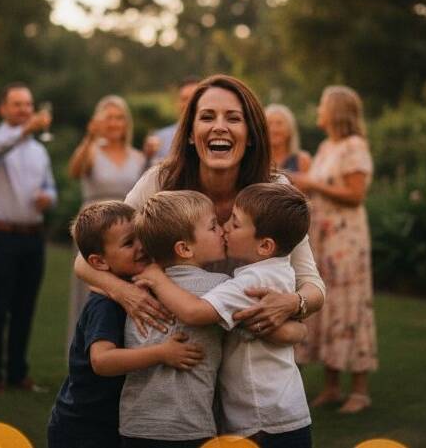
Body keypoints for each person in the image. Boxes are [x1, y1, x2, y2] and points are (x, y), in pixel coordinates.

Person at [74, 74, 326, 339]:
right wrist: (126, 293)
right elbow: (85, 261)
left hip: (244, 354)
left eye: (233, 118)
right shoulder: (161, 181)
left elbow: (313, 285)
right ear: (191, 135)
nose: (219, 127)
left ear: (251, 135)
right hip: (178, 345)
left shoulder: (274, 188)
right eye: (207, 117)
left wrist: (294, 304)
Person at [137, 183, 312, 448]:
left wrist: (157, 279)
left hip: (262, 418)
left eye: (235, 223)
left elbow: (195, 312)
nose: (225, 227)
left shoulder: (252, 282)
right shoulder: (278, 271)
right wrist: (298, 331)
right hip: (281, 410)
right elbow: (290, 330)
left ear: (265, 245)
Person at [48, 201, 205, 448]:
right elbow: (102, 361)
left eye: (142, 236)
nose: (141, 246)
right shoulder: (105, 305)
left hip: (113, 422)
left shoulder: (142, 284)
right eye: (128, 243)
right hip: (83, 427)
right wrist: (162, 353)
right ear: (99, 263)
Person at [290, 85, 378, 414]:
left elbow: (356, 195)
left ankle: (359, 390)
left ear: (337, 111)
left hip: (346, 240)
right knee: (328, 307)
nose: (318, 109)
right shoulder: (327, 146)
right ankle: (331, 386)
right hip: (323, 237)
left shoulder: (354, 147)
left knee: (350, 307)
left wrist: (310, 183)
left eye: (323, 104)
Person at [118, 190, 229, 447]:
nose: (222, 230)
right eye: (213, 226)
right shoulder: (220, 287)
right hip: (188, 427)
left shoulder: (137, 290)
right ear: (184, 248)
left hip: (135, 425)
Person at [0, 82, 56, 394]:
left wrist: (48, 197)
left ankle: (17, 372)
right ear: (3, 109)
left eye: (28, 104)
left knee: (26, 307)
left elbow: (51, 186)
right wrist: (24, 131)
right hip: (0, 236)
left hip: (33, 238)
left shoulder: (39, 151)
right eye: (18, 104)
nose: (25, 110)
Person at [66, 95, 146, 348]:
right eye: (109, 118)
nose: (114, 123)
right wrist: (90, 138)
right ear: (99, 122)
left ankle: (119, 346)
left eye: (119, 118)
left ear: (126, 123)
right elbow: (74, 171)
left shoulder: (137, 156)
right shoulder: (90, 150)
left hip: (127, 228)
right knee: (90, 285)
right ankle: (83, 347)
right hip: (93, 225)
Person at [143, 76, 200, 167]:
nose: (189, 104)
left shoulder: (212, 136)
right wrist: (148, 158)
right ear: (177, 103)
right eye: (184, 99)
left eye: (194, 99)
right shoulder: (159, 138)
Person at [266, 104, 311, 174]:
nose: (273, 129)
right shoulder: (256, 160)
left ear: (290, 129)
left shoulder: (302, 160)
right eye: (269, 123)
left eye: (279, 124)